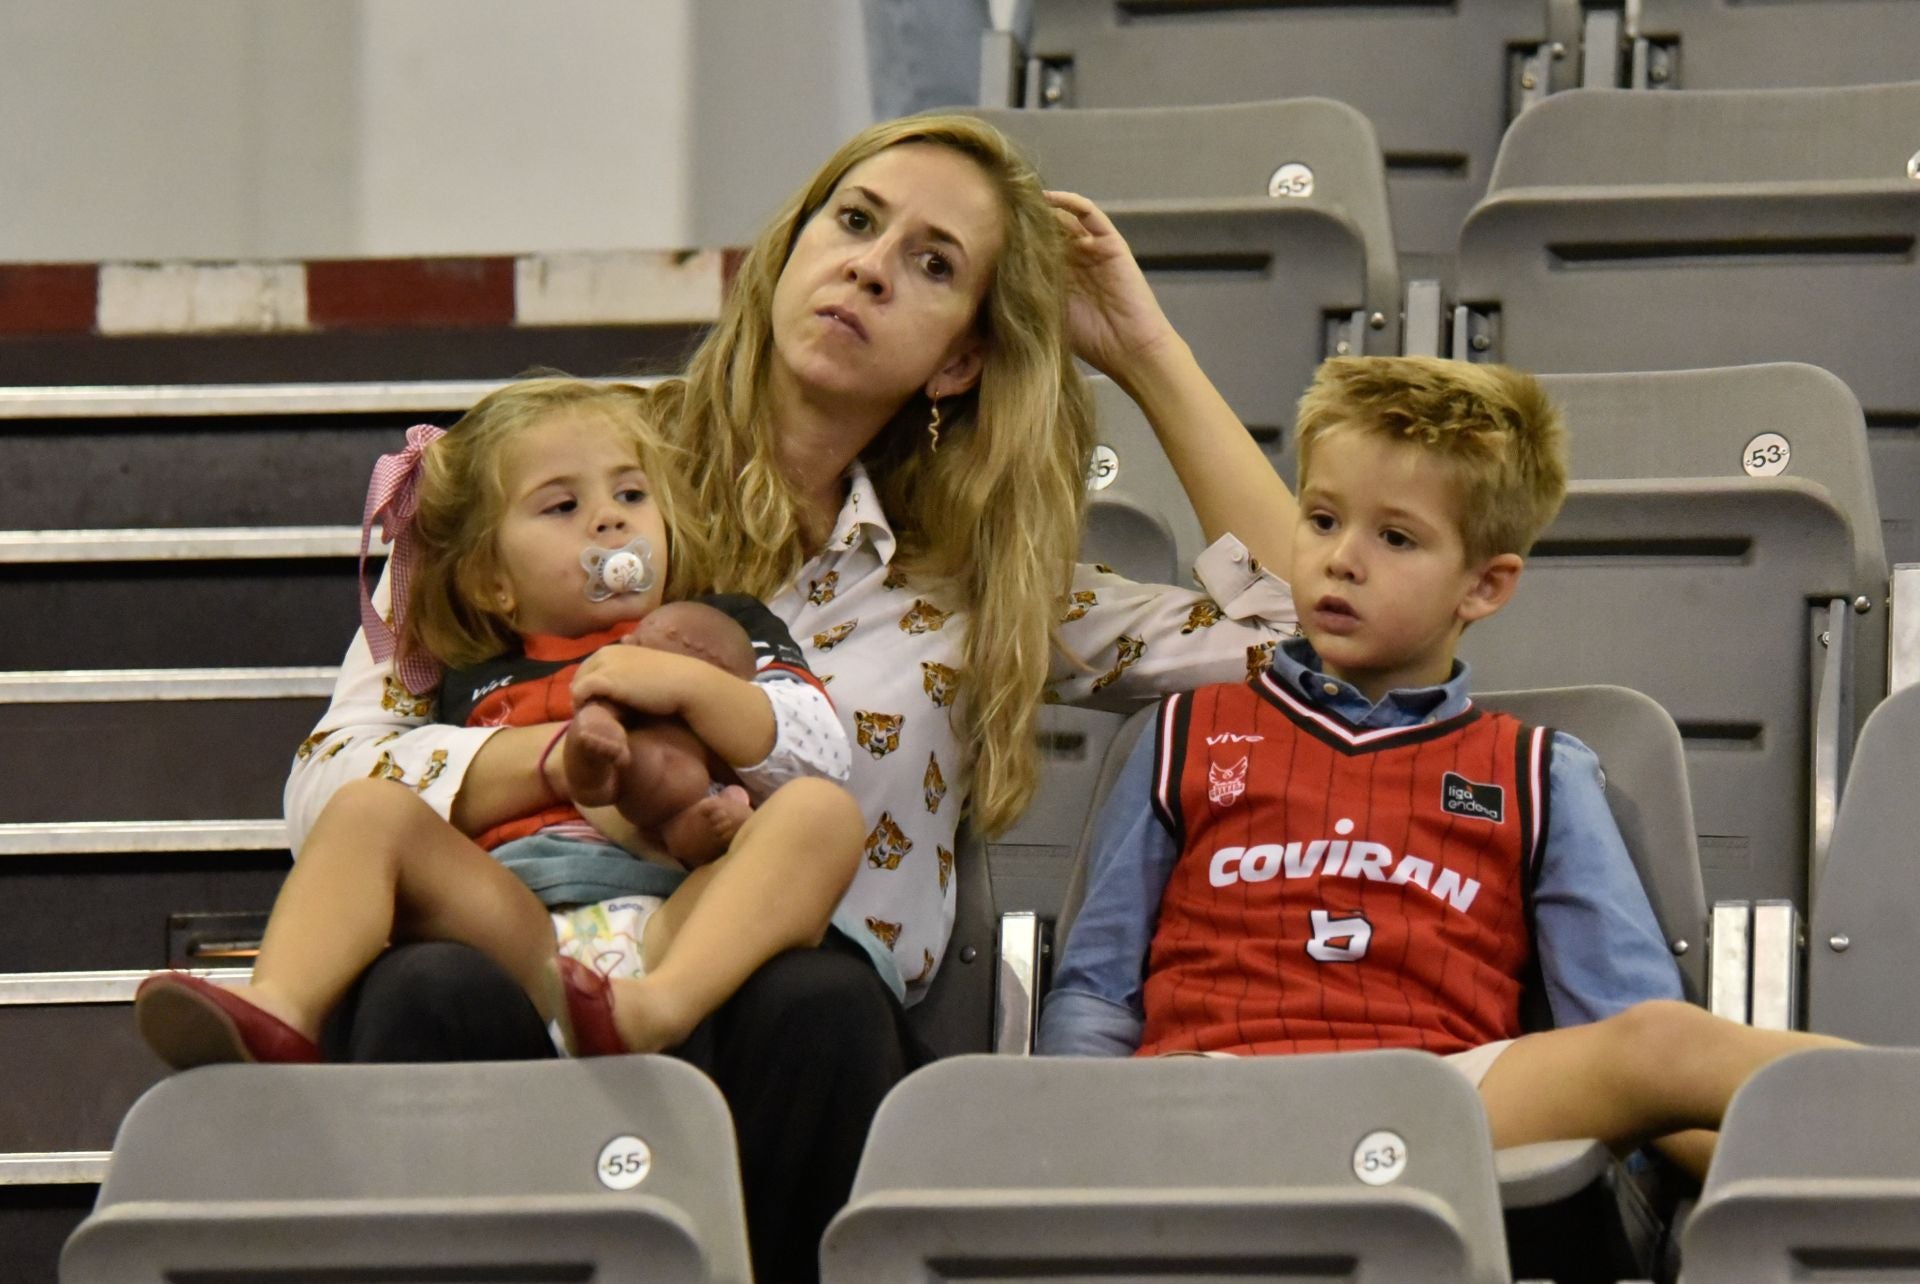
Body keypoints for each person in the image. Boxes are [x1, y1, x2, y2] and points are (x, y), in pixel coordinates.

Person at [285, 115, 1302, 1279]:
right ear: (789, 251)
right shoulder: (566, 483)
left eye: (932, 264)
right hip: (516, 967)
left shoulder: (977, 588)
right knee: (428, 985)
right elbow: (329, 782)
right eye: (855, 221)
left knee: (818, 1003)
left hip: (792, 1038)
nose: (870, 266)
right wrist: (563, 762)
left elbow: (1303, 643)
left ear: (958, 362)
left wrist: (1145, 352)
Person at [1039, 355, 1850, 1178]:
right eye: (1321, 519)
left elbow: (1616, 1020)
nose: (1341, 558)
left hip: (1441, 1104)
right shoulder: (1181, 731)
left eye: (1395, 537)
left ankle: (1869, 1157)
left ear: (1484, 586)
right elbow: (1097, 994)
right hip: (1216, 1096)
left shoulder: (1540, 772)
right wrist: (1068, 1165)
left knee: (1662, 1042)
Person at [138, 379, 862, 1067]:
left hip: (676, 916)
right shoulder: (469, 670)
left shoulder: (717, 628)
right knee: (367, 809)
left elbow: (821, 748)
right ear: (494, 584)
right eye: (562, 506)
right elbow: (350, 778)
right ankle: (280, 1009)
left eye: (631, 494)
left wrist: (686, 684)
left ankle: (657, 1009)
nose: (609, 519)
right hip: (514, 925)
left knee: (821, 813)